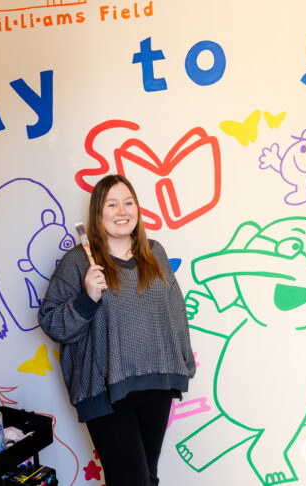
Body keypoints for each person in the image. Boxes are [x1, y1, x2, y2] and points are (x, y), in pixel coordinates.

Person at [38, 174, 196, 486]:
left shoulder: (155, 252)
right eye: (112, 204)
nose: (122, 210)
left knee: (146, 478)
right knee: (131, 481)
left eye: (128, 202)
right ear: (98, 213)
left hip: (157, 384)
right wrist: (88, 299)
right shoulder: (78, 262)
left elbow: (176, 310)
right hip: (105, 391)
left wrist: (183, 363)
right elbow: (51, 322)